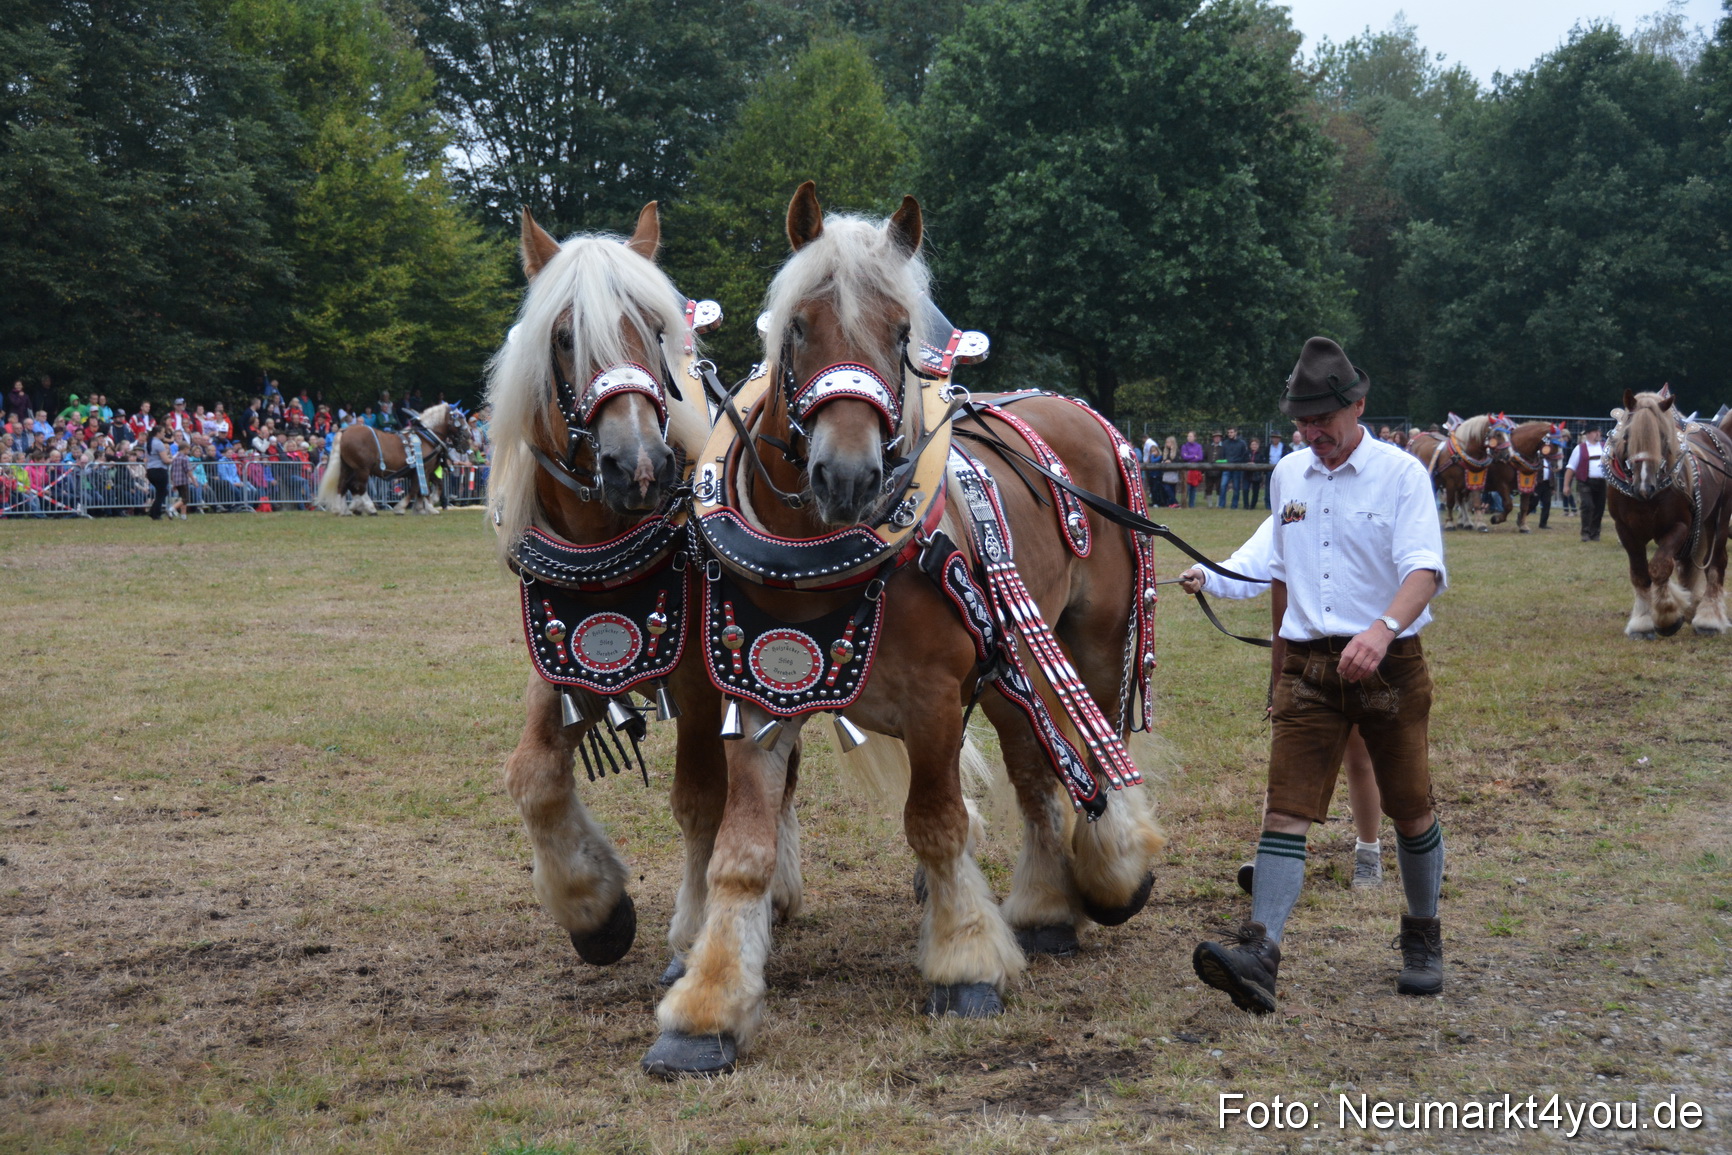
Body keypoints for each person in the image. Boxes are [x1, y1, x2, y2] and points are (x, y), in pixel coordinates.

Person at [1191, 336, 1448, 1016]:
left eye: (1322, 422)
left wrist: (1381, 628)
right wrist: (1211, 574)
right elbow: (1271, 553)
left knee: (1410, 804)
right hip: (1309, 667)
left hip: (1389, 665)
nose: (1312, 435)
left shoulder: (1400, 475)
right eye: (1301, 423)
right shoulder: (1289, 476)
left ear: (1357, 405)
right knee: (1285, 808)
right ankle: (1261, 953)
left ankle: (1422, 934)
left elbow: (1424, 569)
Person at [1178, 516, 1386, 891]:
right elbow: (1251, 564)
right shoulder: (1292, 505)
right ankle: (1272, 858)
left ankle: (1368, 853)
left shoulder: (1371, 503)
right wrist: (1205, 576)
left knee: (1360, 756)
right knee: (1288, 761)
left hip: (1361, 648)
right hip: (1302, 655)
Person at [1570, 426, 1606, 542]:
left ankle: (1595, 532)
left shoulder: (1605, 447)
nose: (1598, 434)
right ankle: (1585, 532)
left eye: (1599, 432)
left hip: (1601, 482)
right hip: (1585, 481)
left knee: (1599, 508)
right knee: (1587, 505)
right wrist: (1566, 485)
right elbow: (1571, 467)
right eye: (1595, 431)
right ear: (1588, 434)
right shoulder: (1580, 448)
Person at [1218, 426, 1250, 508]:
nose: (1230, 434)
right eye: (1228, 432)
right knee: (1223, 486)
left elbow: (1244, 455)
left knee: (1236, 487)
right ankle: (1221, 504)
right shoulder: (1225, 443)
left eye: (1231, 432)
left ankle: (1234, 505)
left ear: (1235, 432)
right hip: (1227, 467)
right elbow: (1222, 455)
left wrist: (1239, 462)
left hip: (1237, 468)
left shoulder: (1242, 443)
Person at [146, 425, 172, 520]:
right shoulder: (159, 444)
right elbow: (165, 460)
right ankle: (155, 513)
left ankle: (153, 511)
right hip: (159, 470)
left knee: (161, 492)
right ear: (158, 433)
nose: (164, 434)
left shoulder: (148, 443)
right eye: (163, 432)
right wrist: (173, 459)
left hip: (150, 470)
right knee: (162, 492)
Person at [1180, 431, 1205, 507]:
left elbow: (1200, 457)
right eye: (1188, 436)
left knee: (1194, 487)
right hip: (1187, 469)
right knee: (1187, 487)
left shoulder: (1198, 446)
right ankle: (1184, 503)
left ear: (1195, 437)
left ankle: (1192, 505)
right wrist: (1194, 456)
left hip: (1195, 469)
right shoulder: (1184, 446)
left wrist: (1190, 456)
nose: (1189, 438)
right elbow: (1184, 457)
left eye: (1191, 436)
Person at [1244, 437, 1267, 512]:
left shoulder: (1261, 454)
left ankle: (1253, 505)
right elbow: (1243, 460)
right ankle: (1246, 505)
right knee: (1245, 489)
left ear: (1258, 445)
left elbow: (1262, 462)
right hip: (1247, 474)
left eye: (1255, 444)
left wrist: (1255, 464)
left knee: (1255, 491)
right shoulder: (1247, 453)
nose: (1254, 446)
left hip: (1256, 475)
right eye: (1252, 444)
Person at [1160, 436, 1182, 508]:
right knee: (1167, 488)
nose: (1167, 444)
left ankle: (1173, 503)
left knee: (1172, 488)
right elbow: (1164, 459)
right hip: (1166, 472)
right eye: (1166, 442)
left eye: (1168, 442)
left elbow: (1177, 461)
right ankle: (1174, 502)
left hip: (1173, 472)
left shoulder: (1177, 451)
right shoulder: (1166, 451)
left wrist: (1170, 461)